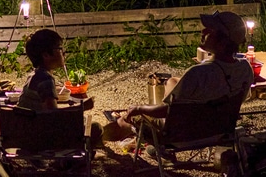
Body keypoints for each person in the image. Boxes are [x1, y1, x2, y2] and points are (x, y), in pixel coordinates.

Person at [104, 11, 254, 149]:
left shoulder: (198, 73)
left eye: (210, 30)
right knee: (172, 81)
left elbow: (166, 111)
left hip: (181, 135)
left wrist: (138, 108)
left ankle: (100, 137)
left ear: (222, 42)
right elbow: (238, 99)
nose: (203, 31)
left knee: (131, 115)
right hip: (218, 130)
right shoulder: (245, 68)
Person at [16, 28, 71, 110]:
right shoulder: (46, 79)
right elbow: (52, 115)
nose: (64, 52)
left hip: (26, 121)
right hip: (36, 122)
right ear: (45, 55)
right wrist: (82, 107)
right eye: (60, 48)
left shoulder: (34, 75)